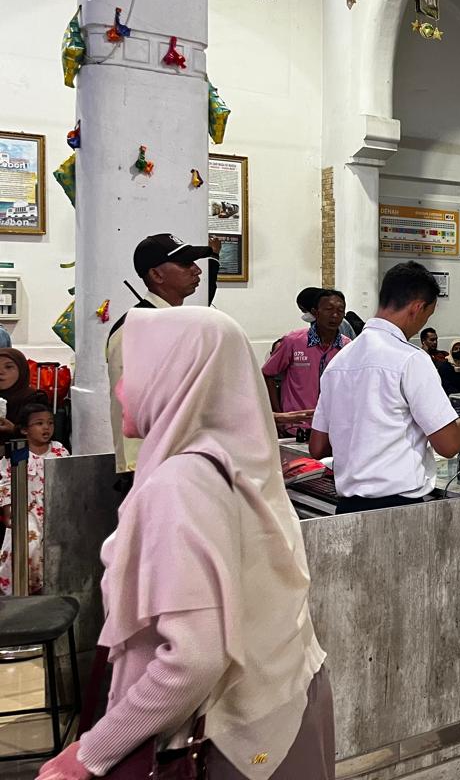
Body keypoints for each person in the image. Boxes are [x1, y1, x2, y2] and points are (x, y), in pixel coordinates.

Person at [37, 306, 333, 780]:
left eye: (133, 370)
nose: (120, 388)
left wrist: (91, 753)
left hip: (229, 739)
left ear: (179, 377)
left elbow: (193, 659)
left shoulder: (180, 484)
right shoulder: (237, 459)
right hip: (280, 704)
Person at [309, 262, 460, 514]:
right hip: (397, 509)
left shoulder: (339, 362)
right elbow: (449, 444)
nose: (423, 324)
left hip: (347, 508)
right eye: (427, 316)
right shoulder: (410, 359)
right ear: (417, 308)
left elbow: (318, 447)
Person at [106, 233, 219, 479]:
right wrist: (137, 471)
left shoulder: (173, 322)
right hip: (149, 470)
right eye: (185, 264)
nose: (197, 270)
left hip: (179, 462)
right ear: (156, 275)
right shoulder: (136, 329)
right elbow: (132, 408)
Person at [0, 402, 66, 596]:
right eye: (39, 423)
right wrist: (8, 509)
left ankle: (45, 590)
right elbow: (6, 481)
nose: (46, 428)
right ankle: (17, 591)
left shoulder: (59, 450)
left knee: (53, 549)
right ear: (24, 430)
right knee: (27, 545)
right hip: (26, 509)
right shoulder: (18, 452)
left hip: (54, 508)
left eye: (50, 423)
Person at [262, 290, 350, 435]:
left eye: (340, 311)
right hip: (296, 428)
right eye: (329, 309)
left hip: (332, 429)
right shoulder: (293, 341)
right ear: (315, 312)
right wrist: (279, 415)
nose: (335, 315)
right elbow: (267, 374)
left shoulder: (347, 347)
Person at [0, 348, 50, 440]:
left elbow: (44, 433)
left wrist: (14, 429)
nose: (1, 372)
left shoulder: (35, 398)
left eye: (8, 367)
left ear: (21, 370)